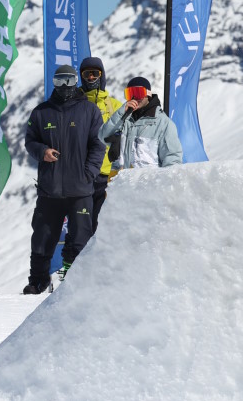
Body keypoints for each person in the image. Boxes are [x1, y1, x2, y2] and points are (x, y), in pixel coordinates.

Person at [22, 64, 107, 294]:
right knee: (42, 238)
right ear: (53, 82)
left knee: (80, 239)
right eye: (60, 81)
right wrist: (42, 152)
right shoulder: (41, 112)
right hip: (50, 190)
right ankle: (38, 282)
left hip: (80, 190)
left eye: (69, 80)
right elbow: (30, 141)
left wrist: (88, 173)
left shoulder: (89, 111)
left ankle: (74, 282)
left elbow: (98, 146)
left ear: (76, 82)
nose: (65, 86)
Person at [78, 56, 123, 233]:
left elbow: (133, 130)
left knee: (102, 227)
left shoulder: (114, 105)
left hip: (107, 175)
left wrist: (120, 137)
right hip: (81, 174)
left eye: (95, 73)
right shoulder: (74, 104)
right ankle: (76, 260)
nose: (91, 78)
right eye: (87, 73)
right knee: (80, 225)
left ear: (101, 75)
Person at [99, 76, 183, 169]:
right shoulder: (123, 119)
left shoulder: (163, 123)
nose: (135, 97)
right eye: (130, 93)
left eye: (139, 93)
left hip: (148, 182)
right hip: (123, 182)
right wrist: (121, 112)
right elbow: (103, 136)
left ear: (148, 94)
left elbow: (172, 159)